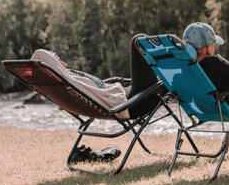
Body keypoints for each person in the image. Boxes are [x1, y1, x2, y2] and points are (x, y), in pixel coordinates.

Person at [30, 33, 161, 121]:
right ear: (53, 66)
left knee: (161, 83)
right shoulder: (68, 80)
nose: (58, 58)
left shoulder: (67, 82)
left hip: (129, 97)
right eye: (55, 57)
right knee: (138, 40)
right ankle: (170, 81)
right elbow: (40, 54)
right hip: (133, 103)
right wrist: (50, 60)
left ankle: (167, 84)